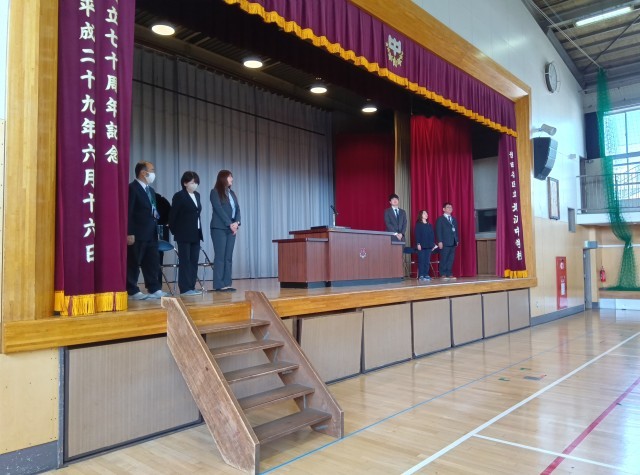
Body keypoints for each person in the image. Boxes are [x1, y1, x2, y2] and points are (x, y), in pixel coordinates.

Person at [126, 161, 170, 300]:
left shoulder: (150, 190)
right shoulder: (132, 188)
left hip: (151, 232)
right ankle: (132, 290)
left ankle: (154, 288)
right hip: (137, 232)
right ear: (143, 172)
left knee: (152, 261)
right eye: (152, 170)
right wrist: (129, 232)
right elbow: (128, 212)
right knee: (133, 262)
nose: (153, 173)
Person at [169, 171, 204, 296]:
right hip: (183, 234)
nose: (195, 185)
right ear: (185, 183)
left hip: (196, 233)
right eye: (192, 182)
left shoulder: (197, 195)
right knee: (185, 261)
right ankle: (184, 288)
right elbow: (173, 215)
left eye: (196, 182)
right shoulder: (179, 196)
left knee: (194, 261)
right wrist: (175, 231)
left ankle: (191, 286)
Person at [210, 170, 241, 292]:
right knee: (220, 256)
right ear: (223, 178)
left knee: (228, 257)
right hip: (219, 228)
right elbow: (218, 209)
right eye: (229, 177)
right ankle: (219, 284)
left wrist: (237, 223)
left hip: (231, 229)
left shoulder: (232, 193)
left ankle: (227, 283)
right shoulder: (215, 192)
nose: (232, 179)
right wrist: (230, 224)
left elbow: (237, 209)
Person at [436, 202, 459, 281]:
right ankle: (443, 274)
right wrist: (440, 241)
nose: (450, 209)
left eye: (451, 207)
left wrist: (457, 240)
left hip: (453, 242)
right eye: (448, 207)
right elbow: (438, 231)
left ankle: (449, 273)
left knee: (451, 259)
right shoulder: (440, 219)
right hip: (444, 242)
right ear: (444, 209)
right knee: (444, 258)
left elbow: (456, 231)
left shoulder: (453, 219)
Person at [414, 210, 438, 282]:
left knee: (427, 261)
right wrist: (418, 244)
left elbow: (432, 235)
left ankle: (426, 274)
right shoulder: (418, 224)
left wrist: (433, 244)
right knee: (422, 260)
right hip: (421, 245)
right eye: (424, 213)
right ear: (421, 215)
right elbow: (417, 234)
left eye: (426, 213)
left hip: (429, 245)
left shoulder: (429, 225)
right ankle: (421, 275)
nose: (426, 214)